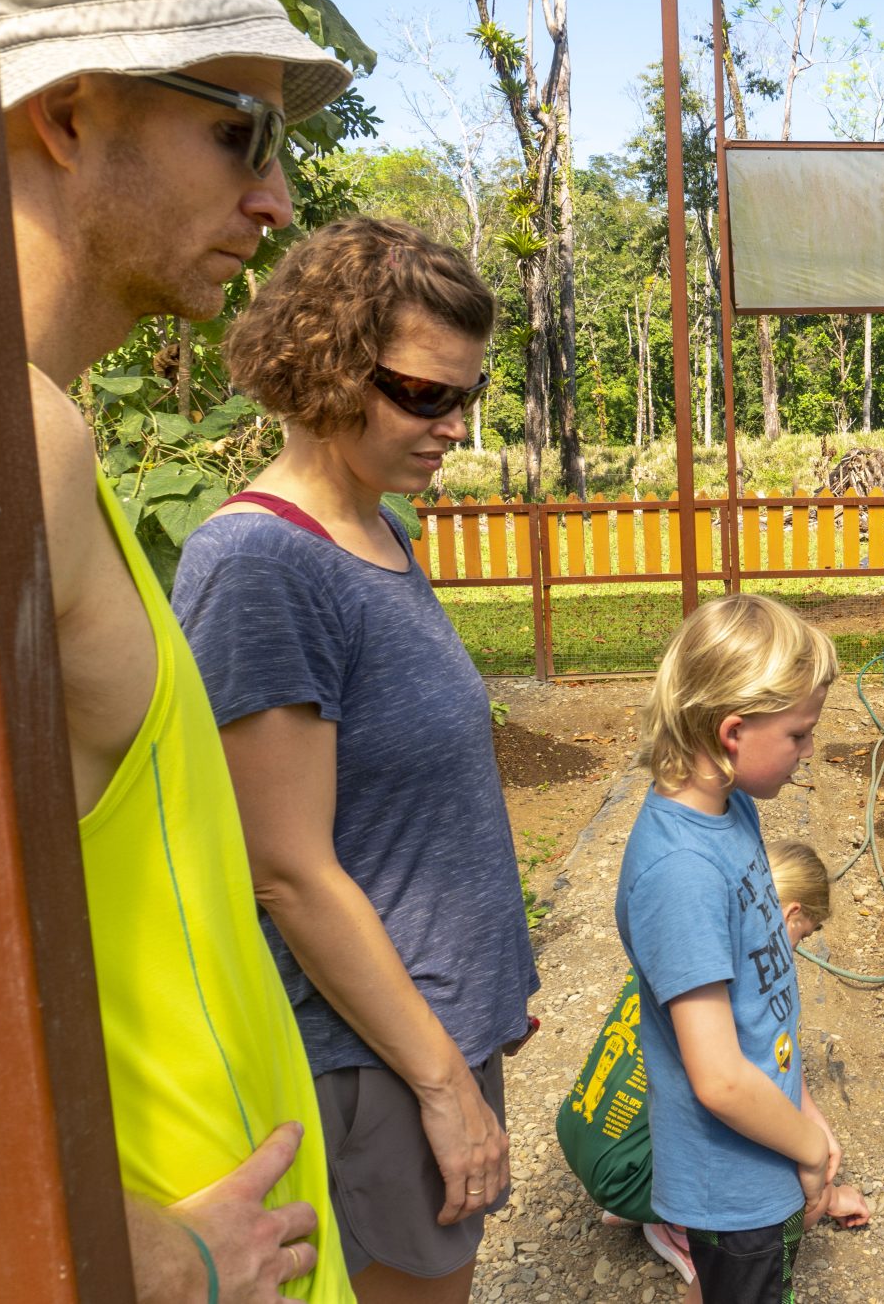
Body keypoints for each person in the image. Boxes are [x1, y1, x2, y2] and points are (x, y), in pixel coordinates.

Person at [0, 0, 357, 1300]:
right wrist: (165, 1262)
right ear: (70, 114)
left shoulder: (13, 429)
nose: (275, 193)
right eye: (236, 128)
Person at [170, 217, 538, 1303]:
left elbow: (408, 806)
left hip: (430, 1023)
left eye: (462, 397)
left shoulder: (379, 532)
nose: (453, 427)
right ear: (325, 369)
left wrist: (492, 977)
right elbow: (285, 870)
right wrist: (442, 1084)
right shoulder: (261, 566)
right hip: (369, 1058)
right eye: (425, 394)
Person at [615, 595, 848, 1304]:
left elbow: (757, 995)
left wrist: (803, 1105)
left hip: (763, 1148)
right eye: (800, 733)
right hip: (733, 1180)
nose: (809, 750)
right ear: (733, 732)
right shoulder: (679, 873)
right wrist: (809, 1152)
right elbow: (717, 1077)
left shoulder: (732, 807)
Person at [560, 840, 870, 1301]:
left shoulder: (692, 951)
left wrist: (812, 1113)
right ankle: (685, 1232)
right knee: (780, 1190)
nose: (797, 951)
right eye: (804, 935)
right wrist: (822, 1187)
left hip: (586, 1133)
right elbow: (739, 1094)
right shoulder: (745, 986)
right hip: (625, 1171)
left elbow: (778, 1048)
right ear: (788, 915)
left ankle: (660, 1210)